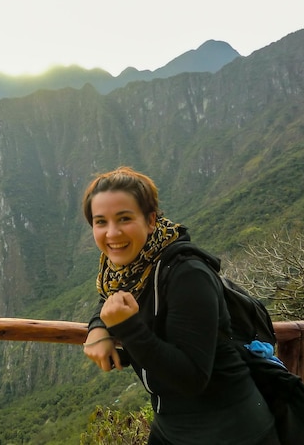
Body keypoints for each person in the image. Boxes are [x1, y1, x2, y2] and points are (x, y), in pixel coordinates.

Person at [82, 166, 280, 445]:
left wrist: (125, 327)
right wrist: (98, 328)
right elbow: (111, 300)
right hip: (171, 426)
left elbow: (192, 378)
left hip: (232, 431)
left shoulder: (187, 274)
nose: (112, 233)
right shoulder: (131, 268)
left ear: (150, 220)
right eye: (100, 222)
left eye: (124, 218)